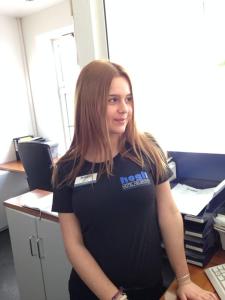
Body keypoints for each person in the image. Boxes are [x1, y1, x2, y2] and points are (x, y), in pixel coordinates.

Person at [52, 60, 218, 300]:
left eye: (128, 99)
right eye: (113, 100)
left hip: (148, 288)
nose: (125, 109)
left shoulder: (146, 148)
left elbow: (169, 214)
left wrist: (184, 279)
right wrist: (114, 297)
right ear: (89, 103)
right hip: (94, 294)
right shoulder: (67, 168)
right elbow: (74, 245)